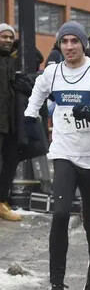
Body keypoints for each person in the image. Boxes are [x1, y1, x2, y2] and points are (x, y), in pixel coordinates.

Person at [25, 21, 90, 290]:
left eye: (74, 41)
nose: (69, 47)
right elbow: (38, 91)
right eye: (64, 42)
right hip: (64, 153)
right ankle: (56, 286)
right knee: (60, 214)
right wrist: (30, 114)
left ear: (83, 44)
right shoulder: (53, 73)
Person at [0, 23, 22, 222]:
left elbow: (37, 56)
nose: (7, 40)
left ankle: (2, 201)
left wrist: (18, 46)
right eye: (3, 36)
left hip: (10, 123)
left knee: (9, 163)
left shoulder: (12, 60)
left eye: (10, 37)